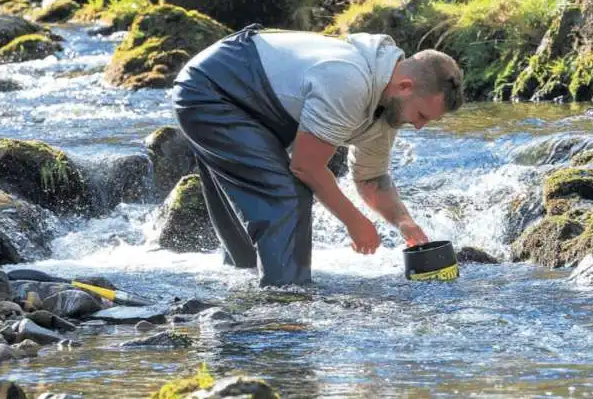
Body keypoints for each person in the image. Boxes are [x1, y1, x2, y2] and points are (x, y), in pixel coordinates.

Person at [172, 24, 464, 287]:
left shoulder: (388, 110)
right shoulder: (350, 79)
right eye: (422, 115)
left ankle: (242, 296)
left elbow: (371, 178)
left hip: (243, 102)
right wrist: (355, 222)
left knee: (256, 223)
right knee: (285, 194)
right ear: (405, 87)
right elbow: (306, 167)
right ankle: (286, 306)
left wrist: (404, 222)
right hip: (212, 90)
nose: (418, 125)